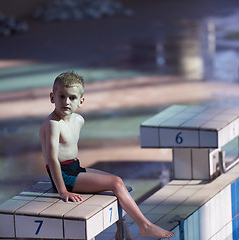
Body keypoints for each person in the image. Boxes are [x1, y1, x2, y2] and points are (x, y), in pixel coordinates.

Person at [39, 71, 175, 239]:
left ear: (81, 101)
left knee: (119, 183)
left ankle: (122, 232)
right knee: (116, 183)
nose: (66, 102)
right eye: (61, 96)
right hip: (64, 175)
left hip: (75, 167)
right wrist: (62, 191)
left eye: (72, 98)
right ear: (52, 97)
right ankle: (145, 225)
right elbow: (52, 159)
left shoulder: (78, 120)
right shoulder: (53, 125)